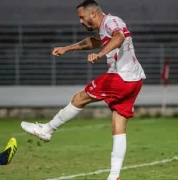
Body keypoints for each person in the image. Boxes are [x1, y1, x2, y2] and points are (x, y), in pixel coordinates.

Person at [21, 0, 146, 179]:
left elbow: (120, 37)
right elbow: (92, 42)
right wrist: (66, 48)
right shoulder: (104, 28)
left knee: (80, 98)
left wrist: (101, 54)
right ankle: (114, 176)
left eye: (82, 17)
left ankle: (47, 130)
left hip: (120, 77)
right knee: (118, 126)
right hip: (133, 80)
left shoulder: (112, 22)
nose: (80, 21)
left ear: (93, 14)